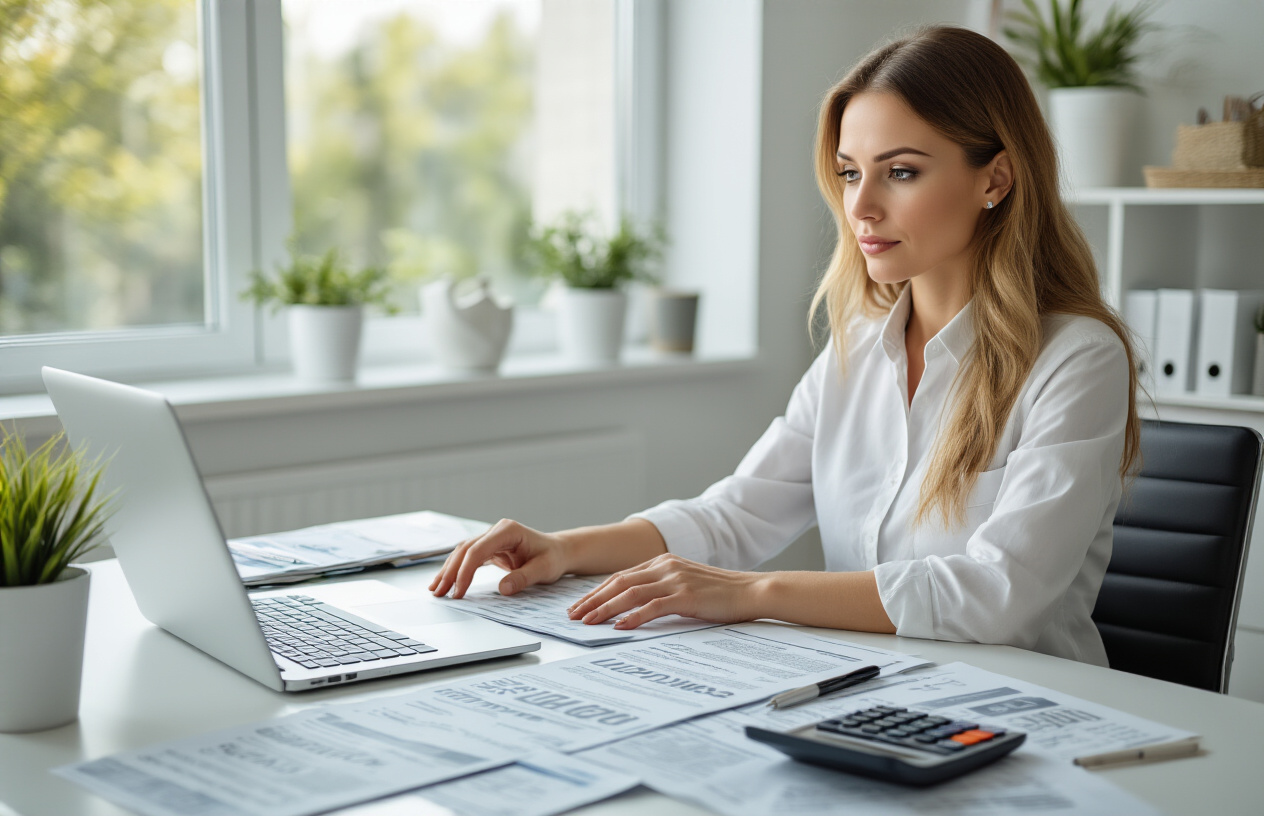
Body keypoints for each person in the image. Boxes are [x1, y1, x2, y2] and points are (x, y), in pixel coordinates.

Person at [430, 25, 1140, 666]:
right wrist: (564, 549)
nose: (860, 206)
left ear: (996, 177)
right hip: (880, 685)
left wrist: (750, 592)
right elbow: (734, 515)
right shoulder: (859, 348)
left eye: (900, 171)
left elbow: (999, 595)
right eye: (849, 171)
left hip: (1037, 709)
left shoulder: (1077, 358)